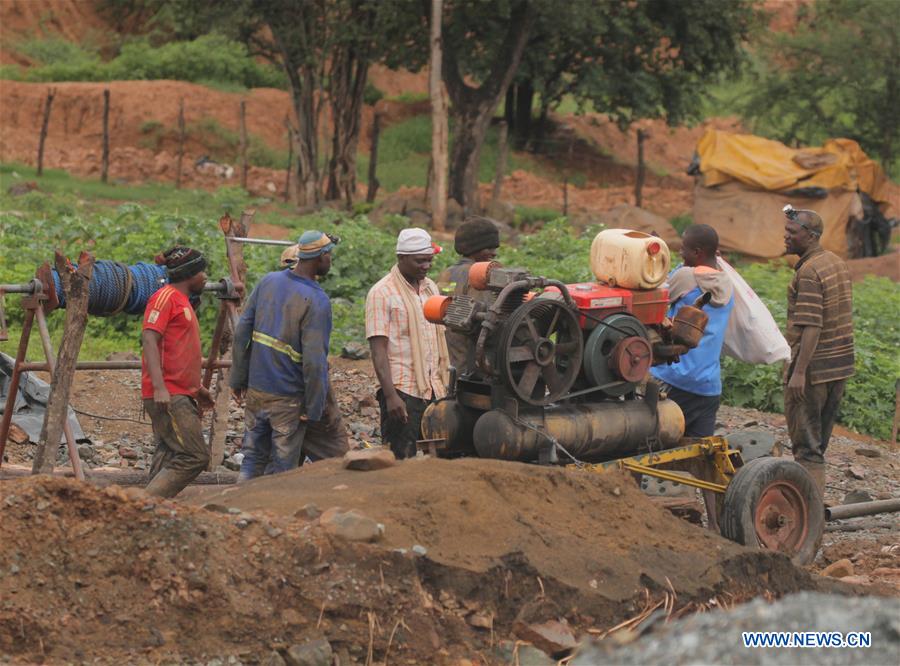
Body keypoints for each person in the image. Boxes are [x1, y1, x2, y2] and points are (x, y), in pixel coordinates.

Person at [231, 230, 348, 481]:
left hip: (257, 391)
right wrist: (314, 408)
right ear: (320, 257)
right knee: (282, 468)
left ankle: (238, 507)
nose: (330, 261)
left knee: (252, 458)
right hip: (287, 398)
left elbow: (242, 332)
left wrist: (238, 380)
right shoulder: (317, 301)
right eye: (329, 255)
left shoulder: (268, 281)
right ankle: (273, 516)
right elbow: (314, 363)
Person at [783, 206, 854, 498]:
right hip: (838, 366)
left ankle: (807, 518)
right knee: (818, 445)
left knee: (807, 447)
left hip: (813, 371)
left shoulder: (810, 273)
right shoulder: (834, 262)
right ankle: (813, 510)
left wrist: (798, 372)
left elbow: (812, 325)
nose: (785, 237)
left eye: (792, 232)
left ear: (810, 236)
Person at [366, 228, 450, 459]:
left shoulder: (430, 288)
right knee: (402, 457)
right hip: (403, 390)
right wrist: (391, 395)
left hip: (435, 388)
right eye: (420, 261)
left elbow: (438, 335)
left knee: (437, 456)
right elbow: (378, 349)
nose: (426, 266)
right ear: (401, 258)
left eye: (429, 260)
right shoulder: (381, 293)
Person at [141, 246, 214, 498]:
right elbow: (149, 339)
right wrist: (160, 387)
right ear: (190, 274)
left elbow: (179, 351)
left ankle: (145, 515)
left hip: (179, 391)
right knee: (195, 455)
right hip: (169, 393)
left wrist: (197, 388)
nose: (205, 276)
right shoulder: (165, 297)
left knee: (169, 453)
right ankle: (143, 506)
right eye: (202, 271)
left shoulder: (182, 302)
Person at [651, 224, 734, 437]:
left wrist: (654, 258)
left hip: (673, 379)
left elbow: (652, 294)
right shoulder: (728, 285)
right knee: (699, 455)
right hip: (708, 387)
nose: (680, 252)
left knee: (644, 448)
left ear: (697, 252)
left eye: (684, 248)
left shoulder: (686, 277)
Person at [436, 216, 500, 374]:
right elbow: (488, 321)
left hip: (451, 356)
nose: (494, 253)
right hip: (476, 362)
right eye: (488, 248)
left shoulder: (447, 273)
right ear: (474, 249)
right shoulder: (481, 277)